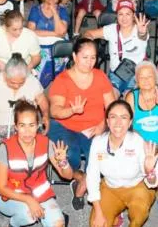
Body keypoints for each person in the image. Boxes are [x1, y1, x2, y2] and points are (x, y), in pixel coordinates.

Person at [47, 38, 114, 209]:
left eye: (93, 58)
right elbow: (54, 111)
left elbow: (112, 107)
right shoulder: (62, 79)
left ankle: (81, 186)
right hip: (65, 126)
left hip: (94, 128)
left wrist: (103, 124)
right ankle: (80, 177)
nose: (89, 62)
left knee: (102, 158)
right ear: (74, 56)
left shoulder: (100, 77)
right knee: (69, 158)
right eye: (85, 57)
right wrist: (72, 110)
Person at [0, 99, 71, 227]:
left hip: (39, 194)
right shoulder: (5, 148)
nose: (27, 131)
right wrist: (29, 200)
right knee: (29, 215)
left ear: (38, 125)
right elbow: (0, 188)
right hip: (10, 197)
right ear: (16, 127)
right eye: (22, 125)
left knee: (58, 224)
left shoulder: (46, 143)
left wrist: (63, 161)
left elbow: (68, 176)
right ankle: (13, 224)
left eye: (31, 125)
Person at [85, 100, 158, 227]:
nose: (118, 122)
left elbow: (152, 183)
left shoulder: (137, 141)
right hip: (110, 188)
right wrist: (98, 211)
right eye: (113, 117)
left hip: (137, 187)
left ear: (130, 122)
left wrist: (149, 171)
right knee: (96, 224)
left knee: (139, 214)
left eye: (124, 117)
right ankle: (115, 216)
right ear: (107, 121)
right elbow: (92, 177)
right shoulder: (98, 142)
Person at [0, 53, 47, 159]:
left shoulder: (32, 81)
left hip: (25, 126)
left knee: (33, 151)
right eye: (12, 83)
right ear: (5, 75)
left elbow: (43, 102)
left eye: (21, 83)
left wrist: (45, 115)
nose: (17, 86)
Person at [84, 0, 149, 92]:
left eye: (128, 14)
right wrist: (89, 45)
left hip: (136, 75)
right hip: (116, 74)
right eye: (120, 14)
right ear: (117, 16)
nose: (124, 18)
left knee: (130, 98)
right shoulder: (112, 29)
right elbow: (89, 33)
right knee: (110, 97)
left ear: (133, 16)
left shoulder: (140, 29)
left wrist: (142, 32)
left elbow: (143, 36)